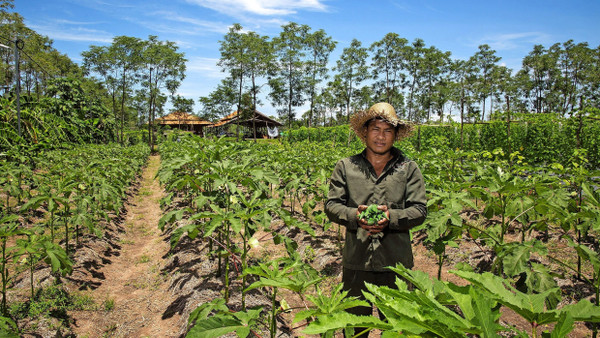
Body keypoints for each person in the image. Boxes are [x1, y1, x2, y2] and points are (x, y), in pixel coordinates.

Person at [324, 102, 427, 336]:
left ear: (395, 135)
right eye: (375, 129)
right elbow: (331, 206)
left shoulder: (408, 169)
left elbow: (419, 210)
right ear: (365, 132)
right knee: (355, 329)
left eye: (387, 130)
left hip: (396, 264)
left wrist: (391, 217)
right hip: (357, 262)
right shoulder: (346, 167)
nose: (381, 136)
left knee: (396, 328)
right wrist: (354, 215)